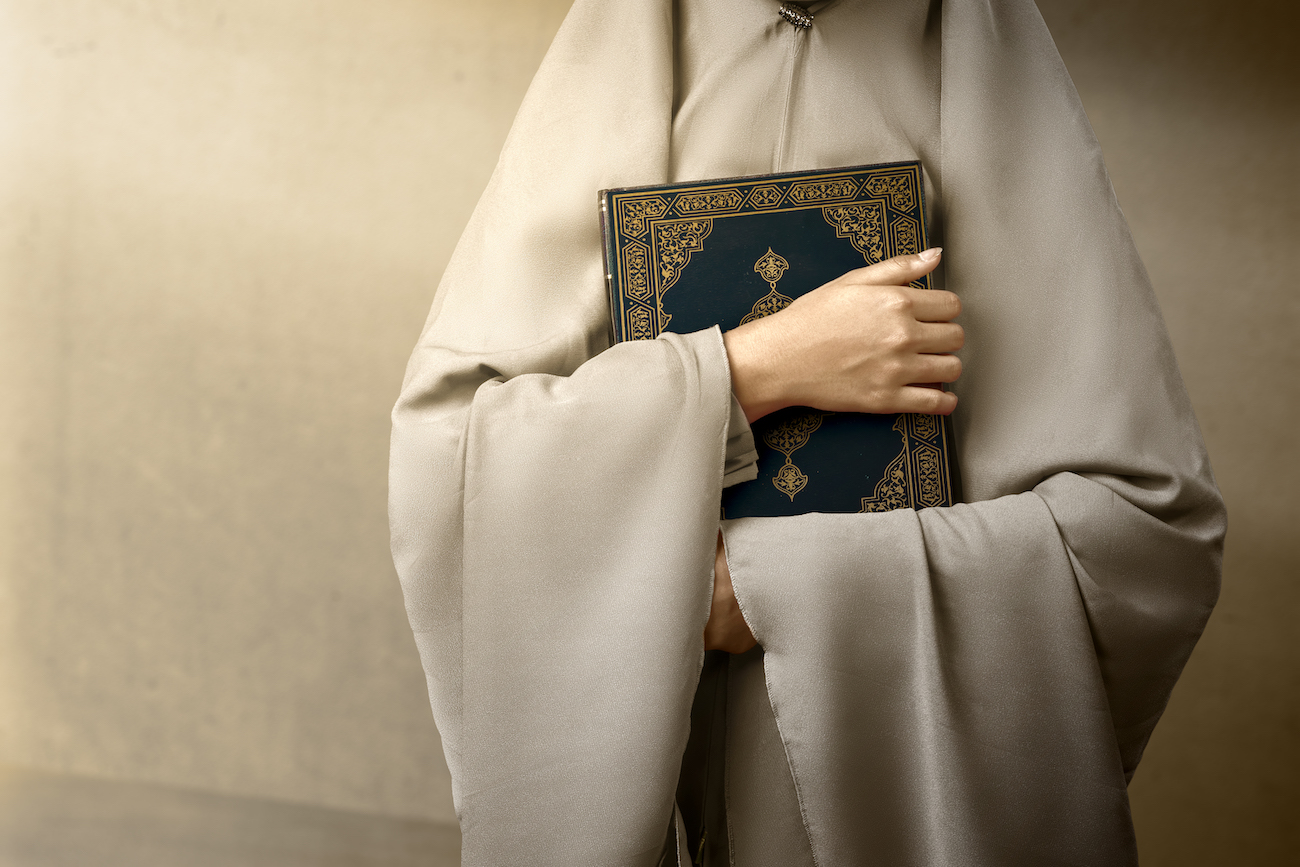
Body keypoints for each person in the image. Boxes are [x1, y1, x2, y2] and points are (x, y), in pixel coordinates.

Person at [388, 1, 1225, 864]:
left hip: (878, 774)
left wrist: (764, 591)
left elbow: (1143, 540)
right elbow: (451, 461)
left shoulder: (983, 49)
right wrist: (756, 369)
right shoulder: (633, 35)